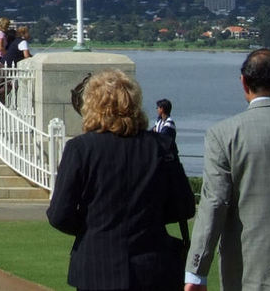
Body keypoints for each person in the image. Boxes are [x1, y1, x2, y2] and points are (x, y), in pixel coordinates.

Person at [47, 69, 195, 291]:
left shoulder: (80, 149)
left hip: (96, 266)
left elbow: (59, 214)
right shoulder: (160, 146)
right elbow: (184, 206)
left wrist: (94, 228)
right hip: (152, 267)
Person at [185, 48, 270, 291]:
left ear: (244, 82)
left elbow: (214, 204)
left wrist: (196, 273)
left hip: (247, 274)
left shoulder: (224, 134)